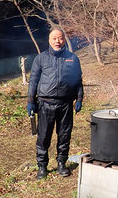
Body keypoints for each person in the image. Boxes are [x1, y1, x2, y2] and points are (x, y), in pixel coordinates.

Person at [27, 29, 84, 180]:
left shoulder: (72, 58)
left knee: (64, 135)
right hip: (45, 104)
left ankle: (61, 164)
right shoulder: (41, 59)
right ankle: (42, 166)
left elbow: (78, 81)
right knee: (43, 137)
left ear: (64, 40)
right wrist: (31, 102)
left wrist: (79, 99)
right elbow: (33, 81)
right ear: (49, 40)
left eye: (60, 38)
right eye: (54, 38)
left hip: (65, 105)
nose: (57, 41)